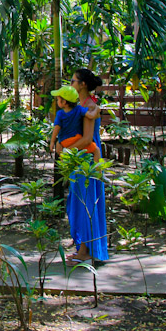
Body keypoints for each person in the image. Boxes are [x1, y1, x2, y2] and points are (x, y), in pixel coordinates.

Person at [59, 68, 109, 265]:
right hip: (78, 156)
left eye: (73, 81)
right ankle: (82, 248)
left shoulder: (89, 105)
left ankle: (85, 252)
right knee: (78, 201)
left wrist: (66, 148)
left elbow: (88, 138)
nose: (70, 84)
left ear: (83, 85)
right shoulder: (80, 105)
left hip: (86, 157)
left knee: (85, 202)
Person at [48, 84, 100, 161]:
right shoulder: (79, 109)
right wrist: (96, 109)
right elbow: (91, 116)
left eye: (58, 100)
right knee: (96, 151)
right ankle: (97, 172)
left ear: (64, 102)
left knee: (63, 156)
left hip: (64, 142)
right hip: (77, 140)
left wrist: (52, 142)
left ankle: (66, 163)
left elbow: (56, 128)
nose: (57, 101)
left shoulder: (60, 114)